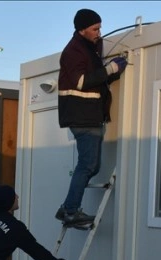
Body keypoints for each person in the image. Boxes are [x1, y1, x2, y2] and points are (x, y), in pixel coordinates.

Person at [55, 8, 127, 228]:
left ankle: (67, 208)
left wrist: (112, 71)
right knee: (88, 165)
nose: (99, 32)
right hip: (82, 116)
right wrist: (111, 68)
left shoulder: (88, 48)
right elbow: (81, 81)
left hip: (90, 115)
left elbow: (97, 80)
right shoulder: (74, 51)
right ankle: (70, 211)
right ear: (82, 29)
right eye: (95, 28)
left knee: (91, 166)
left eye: (100, 27)